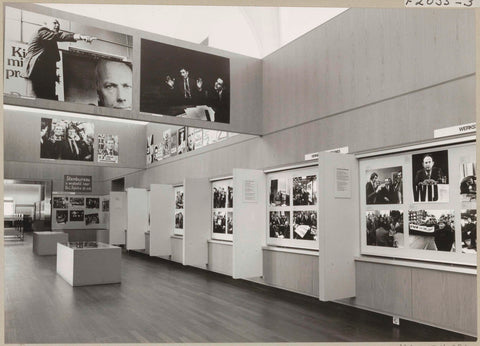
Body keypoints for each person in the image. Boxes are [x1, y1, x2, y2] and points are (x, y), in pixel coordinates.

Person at [23, 19, 96, 100]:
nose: (57, 25)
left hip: (46, 77)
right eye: (54, 23)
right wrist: (81, 37)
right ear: (45, 23)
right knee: (37, 101)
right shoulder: (42, 31)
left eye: (58, 24)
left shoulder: (50, 38)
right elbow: (60, 36)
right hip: (36, 75)